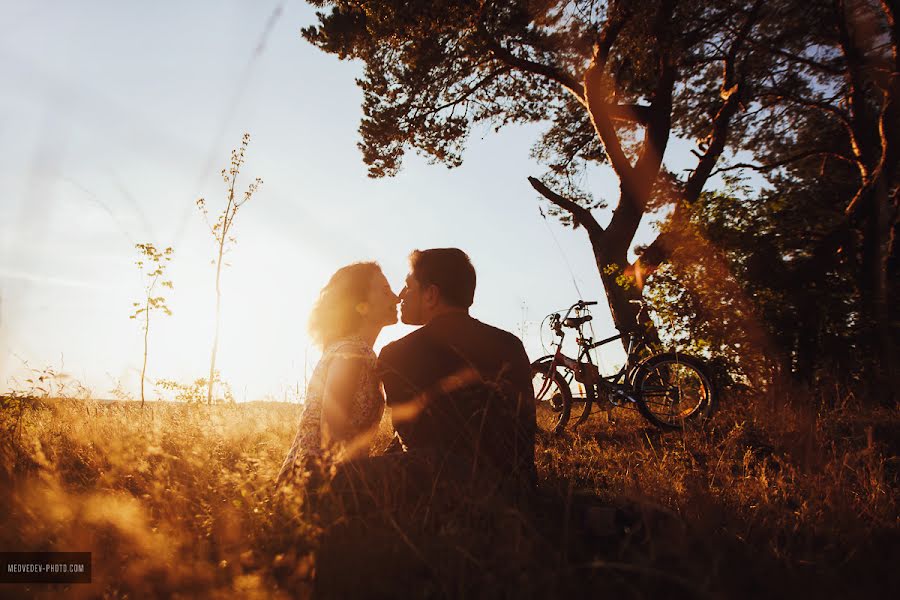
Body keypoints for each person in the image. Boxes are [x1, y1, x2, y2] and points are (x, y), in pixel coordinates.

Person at [376, 248, 537, 493]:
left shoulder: (396, 355)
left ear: (431, 295)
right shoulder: (511, 344)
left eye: (409, 287)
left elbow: (410, 441)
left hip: (439, 494)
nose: (400, 296)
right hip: (516, 488)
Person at [275, 262, 399, 490]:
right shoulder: (350, 353)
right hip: (311, 483)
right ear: (361, 304)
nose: (397, 297)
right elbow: (330, 436)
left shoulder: (357, 351)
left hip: (330, 479)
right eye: (384, 291)